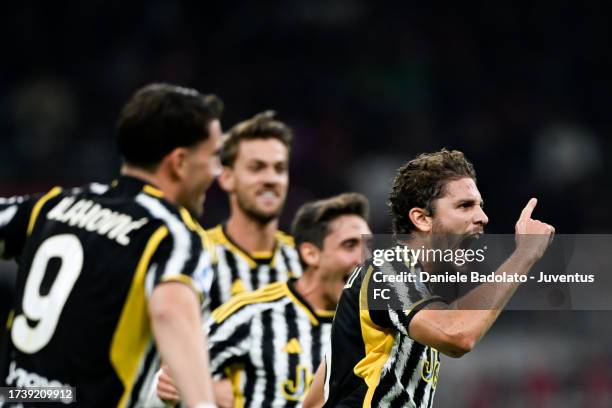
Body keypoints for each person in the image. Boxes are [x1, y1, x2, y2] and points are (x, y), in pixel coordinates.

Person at [0, 83, 223, 408]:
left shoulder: (54, 205)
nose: (217, 172)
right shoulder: (171, 233)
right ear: (179, 162)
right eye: (214, 156)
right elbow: (169, 311)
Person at [304, 149, 555, 408]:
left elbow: (316, 399)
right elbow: (458, 338)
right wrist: (525, 253)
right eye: (465, 206)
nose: (482, 217)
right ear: (422, 219)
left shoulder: (423, 291)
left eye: (480, 206)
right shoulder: (388, 271)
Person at [152, 192, 372, 408]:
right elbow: (170, 374)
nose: (364, 259)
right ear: (310, 254)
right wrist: (198, 388)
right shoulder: (252, 313)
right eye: (349, 245)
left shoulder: (378, 328)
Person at [206, 111, 301, 311]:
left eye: (279, 168)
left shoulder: (305, 262)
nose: (271, 179)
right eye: (256, 168)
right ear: (226, 178)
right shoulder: (199, 255)